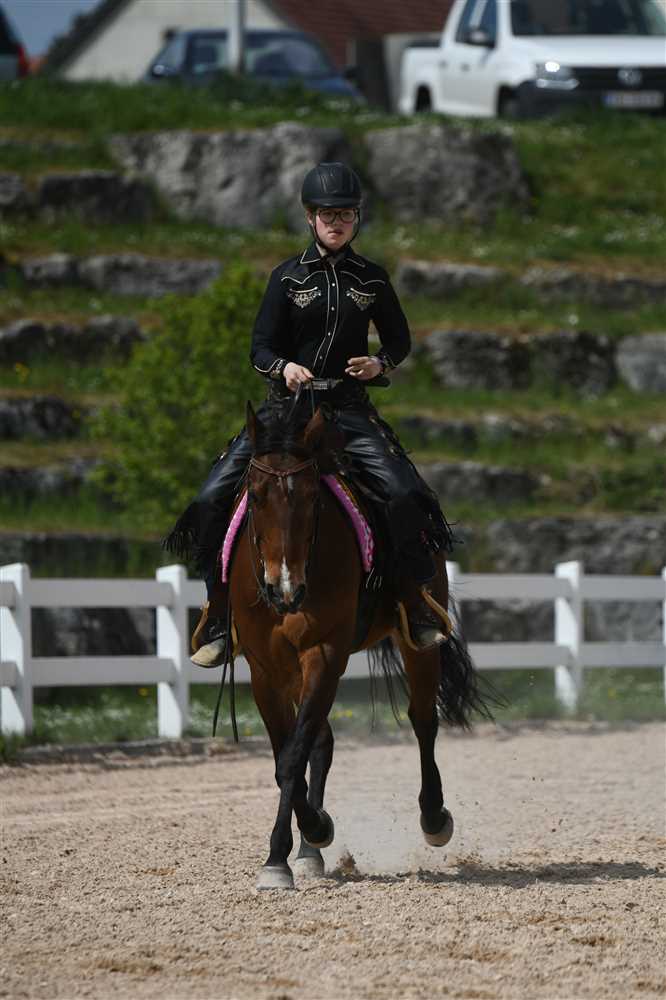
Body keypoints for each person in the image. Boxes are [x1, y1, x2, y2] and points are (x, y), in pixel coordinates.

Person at [165, 162, 454, 667]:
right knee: (211, 497)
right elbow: (260, 347)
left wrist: (379, 364)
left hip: (348, 410)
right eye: (327, 214)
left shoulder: (373, 278)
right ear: (309, 218)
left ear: (357, 218)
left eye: (345, 214)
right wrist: (284, 367)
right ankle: (218, 612)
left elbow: (400, 339)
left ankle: (415, 603)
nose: (336, 222)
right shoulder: (286, 277)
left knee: (406, 492)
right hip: (285, 413)